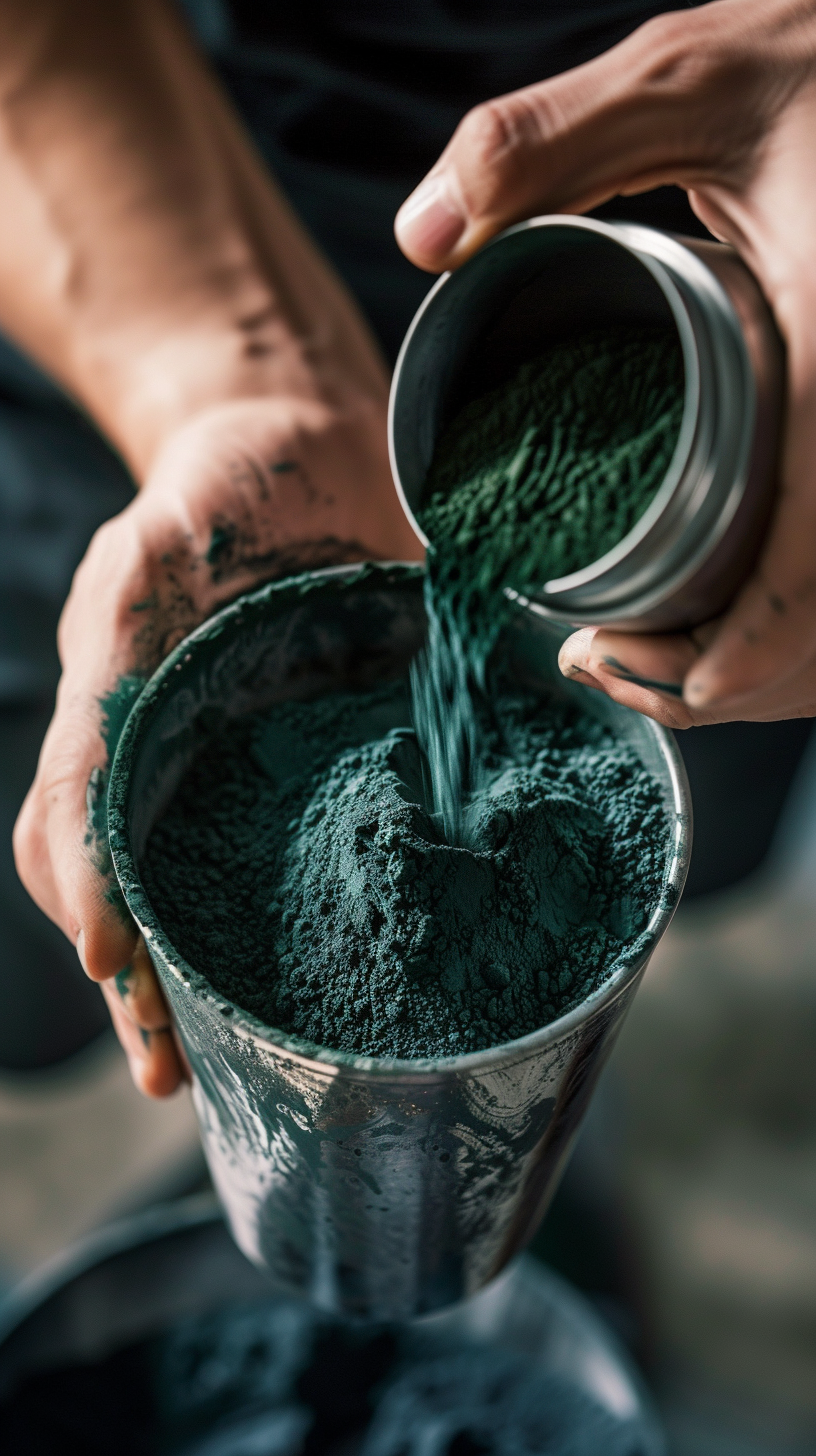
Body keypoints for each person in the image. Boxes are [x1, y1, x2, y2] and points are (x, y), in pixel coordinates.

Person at [3, 0, 816, 1091]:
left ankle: (561, 1131)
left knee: (690, 777)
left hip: (746, 249)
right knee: (45, 959)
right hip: (175, 207)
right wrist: (229, 393)